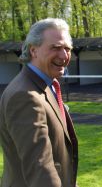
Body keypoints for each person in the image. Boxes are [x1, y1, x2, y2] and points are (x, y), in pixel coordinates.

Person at [0, 18, 78, 187]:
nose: (64, 55)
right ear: (33, 50)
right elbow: (40, 168)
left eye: (67, 48)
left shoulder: (44, 85)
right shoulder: (24, 95)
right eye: (55, 48)